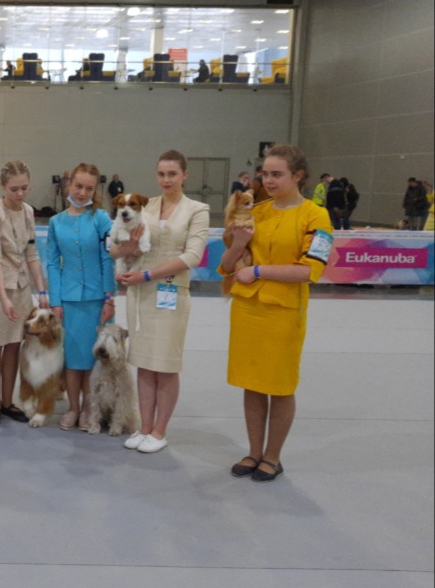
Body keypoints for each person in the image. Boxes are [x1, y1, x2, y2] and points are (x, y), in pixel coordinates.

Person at [218, 145, 333, 482]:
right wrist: (239, 244)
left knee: (280, 387)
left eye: (277, 174)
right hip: (247, 310)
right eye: (265, 174)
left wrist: (257, 271)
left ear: (297, 176)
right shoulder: (254, 211)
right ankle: (253, 452)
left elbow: (309, 270)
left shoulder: (316, 216)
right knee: (252, 385)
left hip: (283, 314)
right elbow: (226, 267)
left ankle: (272, 457)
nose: (268, 180)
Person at [113, 149, 210, 454]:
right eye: (161, 174)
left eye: (172, 174)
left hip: (170, 292)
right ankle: (144, 427)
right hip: (140, 294)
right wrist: (126, 254)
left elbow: (192, 256)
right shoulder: (144, 205)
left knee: (165, 364)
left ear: (184, 175)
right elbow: (119, 245)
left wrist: (148, 274)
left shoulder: (197, 210)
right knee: (143, 362)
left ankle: (160, 431)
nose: (166, 180)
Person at [45, 163, 116, 430]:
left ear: (95, 190)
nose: (82, 192)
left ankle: (89, 409)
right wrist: (55, 301)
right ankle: (73, 408)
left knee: (93, 361)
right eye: (78, 186)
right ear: (69, 184)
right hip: (68, 301)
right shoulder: (55, 222)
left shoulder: (101, 218)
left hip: (98, 300)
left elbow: (108, 258)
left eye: (89, 188)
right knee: (72, 360)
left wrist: (109, 297)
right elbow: (52, 263)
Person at [0, 161, 50, 426]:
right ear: (2, 186)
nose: (20, 194)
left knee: (14, 344)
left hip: (21, 287)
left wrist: (41, 290)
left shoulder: (29, 212)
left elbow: (32, 253)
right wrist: (3, 296)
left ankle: (8, 402)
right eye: (14, 189)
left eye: (24, 188)